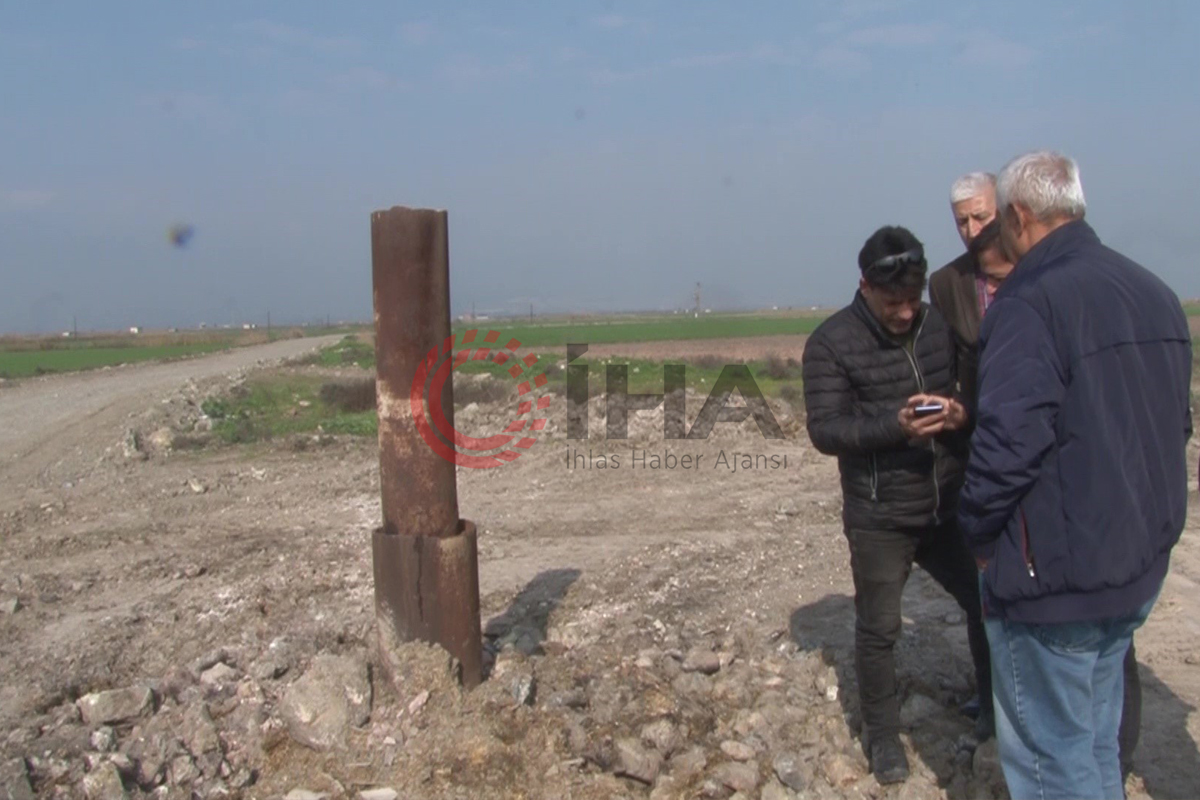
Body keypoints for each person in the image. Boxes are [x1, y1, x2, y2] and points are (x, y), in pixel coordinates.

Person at [958, 150, 1193, 800]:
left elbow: (1007, 443)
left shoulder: (1030, 303)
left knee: (1052, 764)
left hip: (1054, 582)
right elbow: (1176, 426)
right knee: (1093, 744)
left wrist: (978, 535)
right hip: (1133, 565)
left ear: (1020, 216)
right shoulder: (1153, 291)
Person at [801, 225, 992, 785]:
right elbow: (826, 429)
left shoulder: (939, 326)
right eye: (894, 303)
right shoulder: (830, 343)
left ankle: (993, 710)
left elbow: (971, 392)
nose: (907, 313)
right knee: (880, 628)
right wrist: (895, 425)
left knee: (985, 603)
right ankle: (883, 738)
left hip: (950, 503)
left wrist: (958, 414)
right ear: (864, 286)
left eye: (913, 300)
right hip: (881, 514)